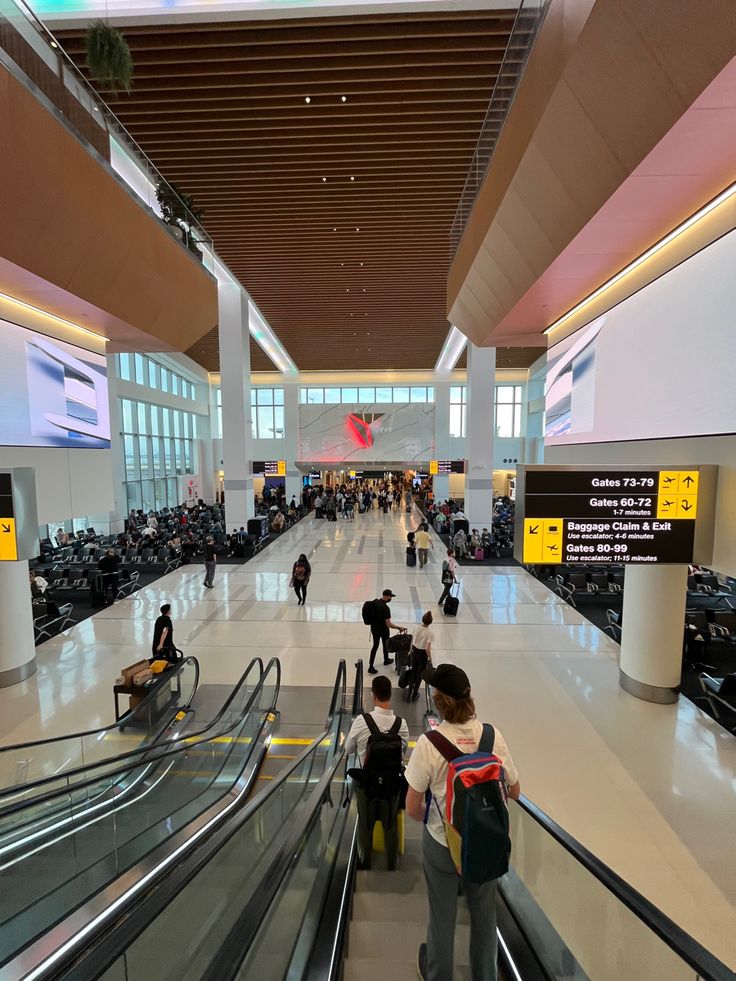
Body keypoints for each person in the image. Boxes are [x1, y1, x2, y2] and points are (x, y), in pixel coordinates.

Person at [405, 664, 520, 981]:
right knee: (485, 917)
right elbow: (515, 790)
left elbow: (412, 807)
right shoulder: (492, 737)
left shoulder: (430, 744)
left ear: (439, 702)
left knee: (442, 917)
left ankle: (438, 974)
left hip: (443, 844)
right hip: (485, 843)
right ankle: (485, 975)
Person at [345, 674, 410, 870]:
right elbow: (403, 751)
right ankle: (393, 862)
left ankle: (364, 861)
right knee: (390, 822)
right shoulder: (402, 724)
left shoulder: (361, 721)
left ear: (373, 696)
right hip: (392, 783)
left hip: (367, 783)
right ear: (390, 695)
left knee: (366, 822)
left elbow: (348, 748)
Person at [366, 589, 405, 674]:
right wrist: (399, 628)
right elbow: (388, 624)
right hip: (383, 630)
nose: (391, 598)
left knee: (375, 646)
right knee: (385, 644)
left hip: (374, 629)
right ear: (387, 596)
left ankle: (371, 666)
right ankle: (386, 660)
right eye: (391, 596)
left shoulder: (375, 602)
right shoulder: (385, 608)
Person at [409, 611, 434, 701]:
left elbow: (412, 640)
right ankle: (415, 693)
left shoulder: (416, 628)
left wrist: (410, 651)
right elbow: (427, 648)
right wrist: (430, 658)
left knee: (413, 672)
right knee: (419, 675)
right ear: (430, 622)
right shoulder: (429, 633)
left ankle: (409, 692)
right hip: (422, 655)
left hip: (414, 651)